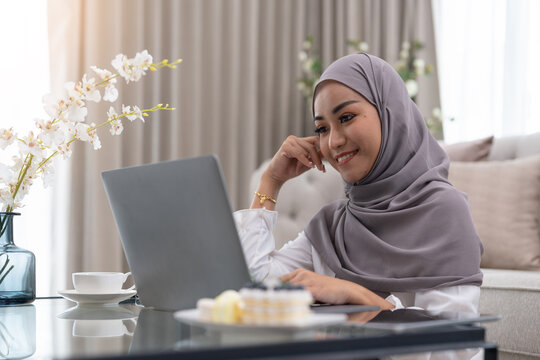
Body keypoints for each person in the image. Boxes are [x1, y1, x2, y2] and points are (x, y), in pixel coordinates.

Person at [233, 53, 483, 313]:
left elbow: (452, 346)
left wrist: (355, 294)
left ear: (389, 112)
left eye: (346, 117)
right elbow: (252, 286)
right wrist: (270, 181)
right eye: (322, 129)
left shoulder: (444, 211)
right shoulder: (333, 227)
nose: (333, 142)